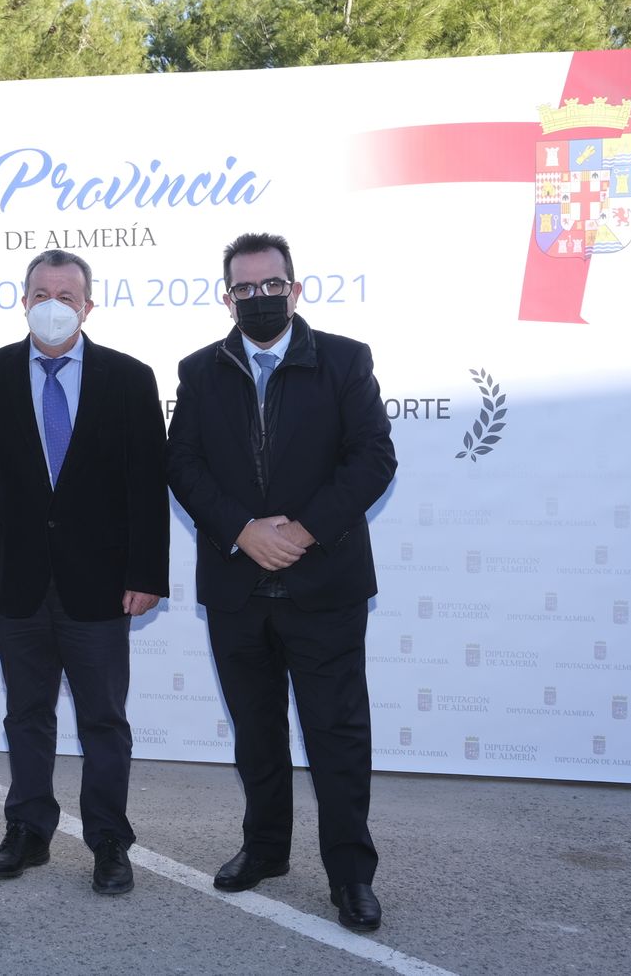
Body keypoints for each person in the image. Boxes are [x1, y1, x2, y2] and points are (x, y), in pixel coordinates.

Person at [165, 232, 396, 931]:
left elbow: (372, 458)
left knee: (336, 736)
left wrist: (301, 531)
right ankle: (264, 850)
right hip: (237, 586)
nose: (259, 297)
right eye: (245, 288)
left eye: (272, 285)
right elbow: (183, 464)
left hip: (323, 583)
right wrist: (242, 530)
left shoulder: (345, 360)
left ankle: (351, 876)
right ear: (227, 297)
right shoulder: (200, 370)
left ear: (295, 290)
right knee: (256, 733)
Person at [0, 249, 169, 896]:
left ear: (87, 307)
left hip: (99, 585)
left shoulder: (130, 378)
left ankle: (108, 841)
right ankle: (28, 830)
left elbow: (146, 487)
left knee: (104, 720)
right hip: (11, 581)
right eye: (41, 294)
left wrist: (147, 574)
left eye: (67, 296)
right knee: (26, 714)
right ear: (23, 302)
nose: (53, 305)